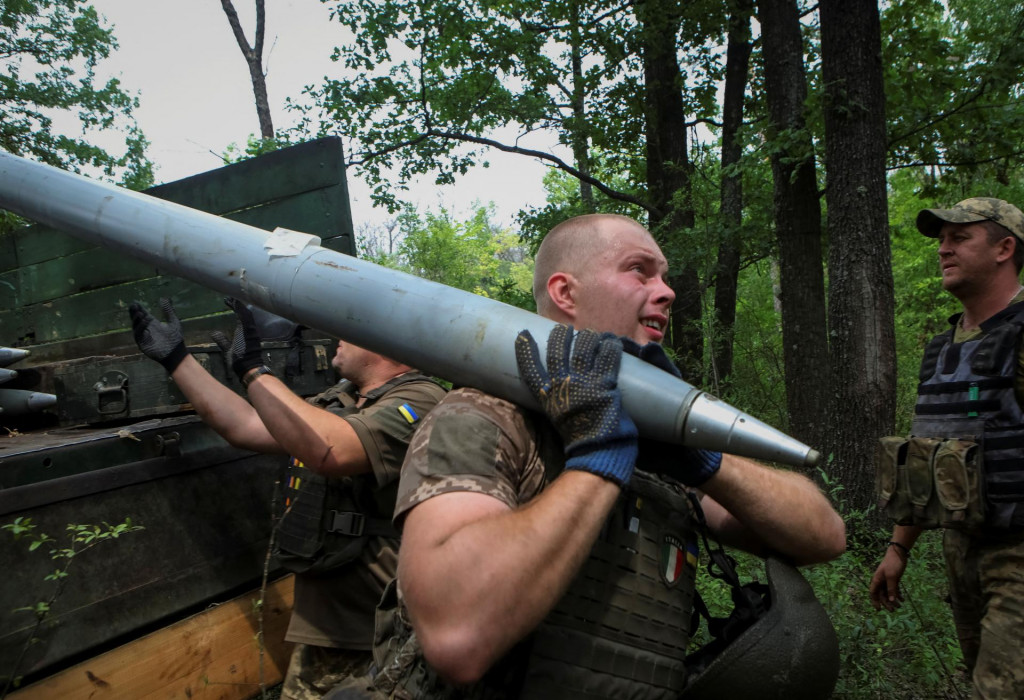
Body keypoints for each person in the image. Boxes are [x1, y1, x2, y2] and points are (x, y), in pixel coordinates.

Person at [349, 214, 846, 699]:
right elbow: (457, 636)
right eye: (639, 270)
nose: (667, 291)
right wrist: (598, 457)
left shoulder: (660, 449)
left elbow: (824, 537)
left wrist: (706, 461)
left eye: (666, 277)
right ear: (566, 293)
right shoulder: (482, 415)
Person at [128, 298, 446, 699]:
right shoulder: (343, 398)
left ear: (386, 344)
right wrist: (178, 361)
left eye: (352, 328)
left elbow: (332, 450)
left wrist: (255, 371)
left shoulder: (422, 401)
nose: (338, 338)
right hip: (327, 628)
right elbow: (246, 425)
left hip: (383, 634)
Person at [870, 197, 1024, 698]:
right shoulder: (941, 350)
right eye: (941, 240)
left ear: (1005, 248)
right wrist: (898, 548)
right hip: (961, 551)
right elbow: (925, 458)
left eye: (960, 238)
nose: (944, 250)